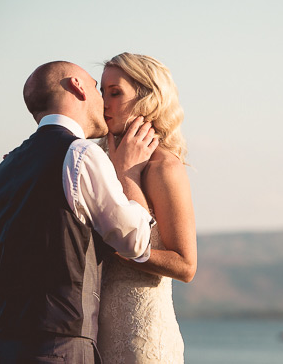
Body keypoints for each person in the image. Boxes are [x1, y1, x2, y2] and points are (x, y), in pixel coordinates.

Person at [0, 61, 158, 363]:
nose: (103, 101)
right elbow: (134, 241)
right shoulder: (81, 153)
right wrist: (129, 174)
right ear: (78, 87)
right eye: (96, 87)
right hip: (59, 349)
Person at [97, 52, 197, 364]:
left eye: (115, 93)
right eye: (102, 92)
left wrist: (118, 249)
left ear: (148, 100)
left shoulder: (164, 168)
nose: (104, 103)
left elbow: (185, 266)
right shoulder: (97, 162)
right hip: (94, 336)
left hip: (142, 340)